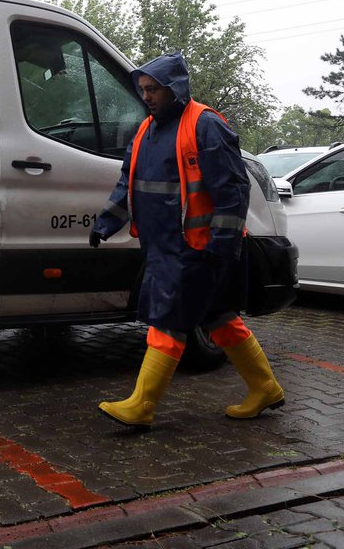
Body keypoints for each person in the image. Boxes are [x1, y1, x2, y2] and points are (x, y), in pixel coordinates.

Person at [88, 52, 284, 428]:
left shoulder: (205, 125)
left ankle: (141, 406)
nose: (146, 96)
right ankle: (266, 389)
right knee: (220, 318)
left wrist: (221, 246)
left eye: (153, 90)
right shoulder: (147, 130)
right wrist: (105, 224)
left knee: (167, 322)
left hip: (197, 248)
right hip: (169, 248)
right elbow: (128, 184)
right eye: (143, 90)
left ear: (173, 89)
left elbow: (233, 191)